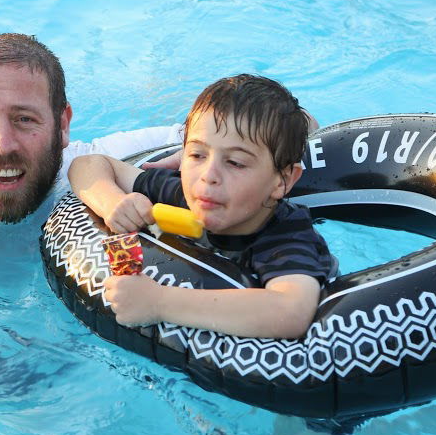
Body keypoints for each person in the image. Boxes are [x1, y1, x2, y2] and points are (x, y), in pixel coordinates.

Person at [68, 74, 336, 340]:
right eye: (197, 155)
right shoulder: (185, 195)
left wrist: (159, 302)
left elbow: (289, 313)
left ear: (283, 181)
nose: (209, 174)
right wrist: (113, 202)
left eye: (235, 163)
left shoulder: (287, 236)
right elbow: (87, 164)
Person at [0, 33, 184, 224]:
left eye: (24, 119)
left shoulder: (106, 162)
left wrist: (202, 152)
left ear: (62, 125)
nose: (4, 144)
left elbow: (211, 124)